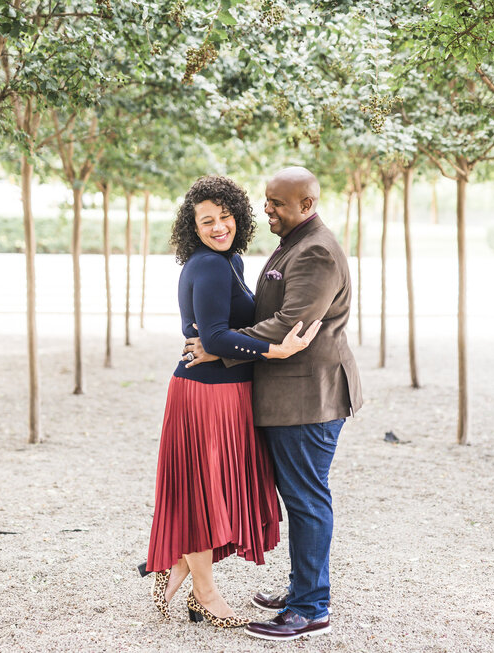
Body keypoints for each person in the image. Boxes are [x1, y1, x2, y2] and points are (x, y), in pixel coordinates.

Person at [184, 166, 363, 641]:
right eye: (265, 200)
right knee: (301, 497)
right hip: (289, 396)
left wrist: (219, 343)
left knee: (306, 500)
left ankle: (311, 608)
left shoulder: (317, 252)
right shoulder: (293, 243)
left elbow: (291, 325)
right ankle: (303, 589)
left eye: (277, 203)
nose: (266, 209)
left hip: (310, 398)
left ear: (307, 205)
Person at [144, 175, 322, 629]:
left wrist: (221, 345)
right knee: (204, 491)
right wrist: (275, 350)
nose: (218, 226)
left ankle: (181, 568)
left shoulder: (231, 262)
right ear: (193, 227)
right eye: (207, 220)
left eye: (225, 216)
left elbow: (218, 335)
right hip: (205, 395)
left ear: (238, 217)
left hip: (227, 392)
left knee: (213, 488)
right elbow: (216, 333)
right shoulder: (207, 266)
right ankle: (204, 593)